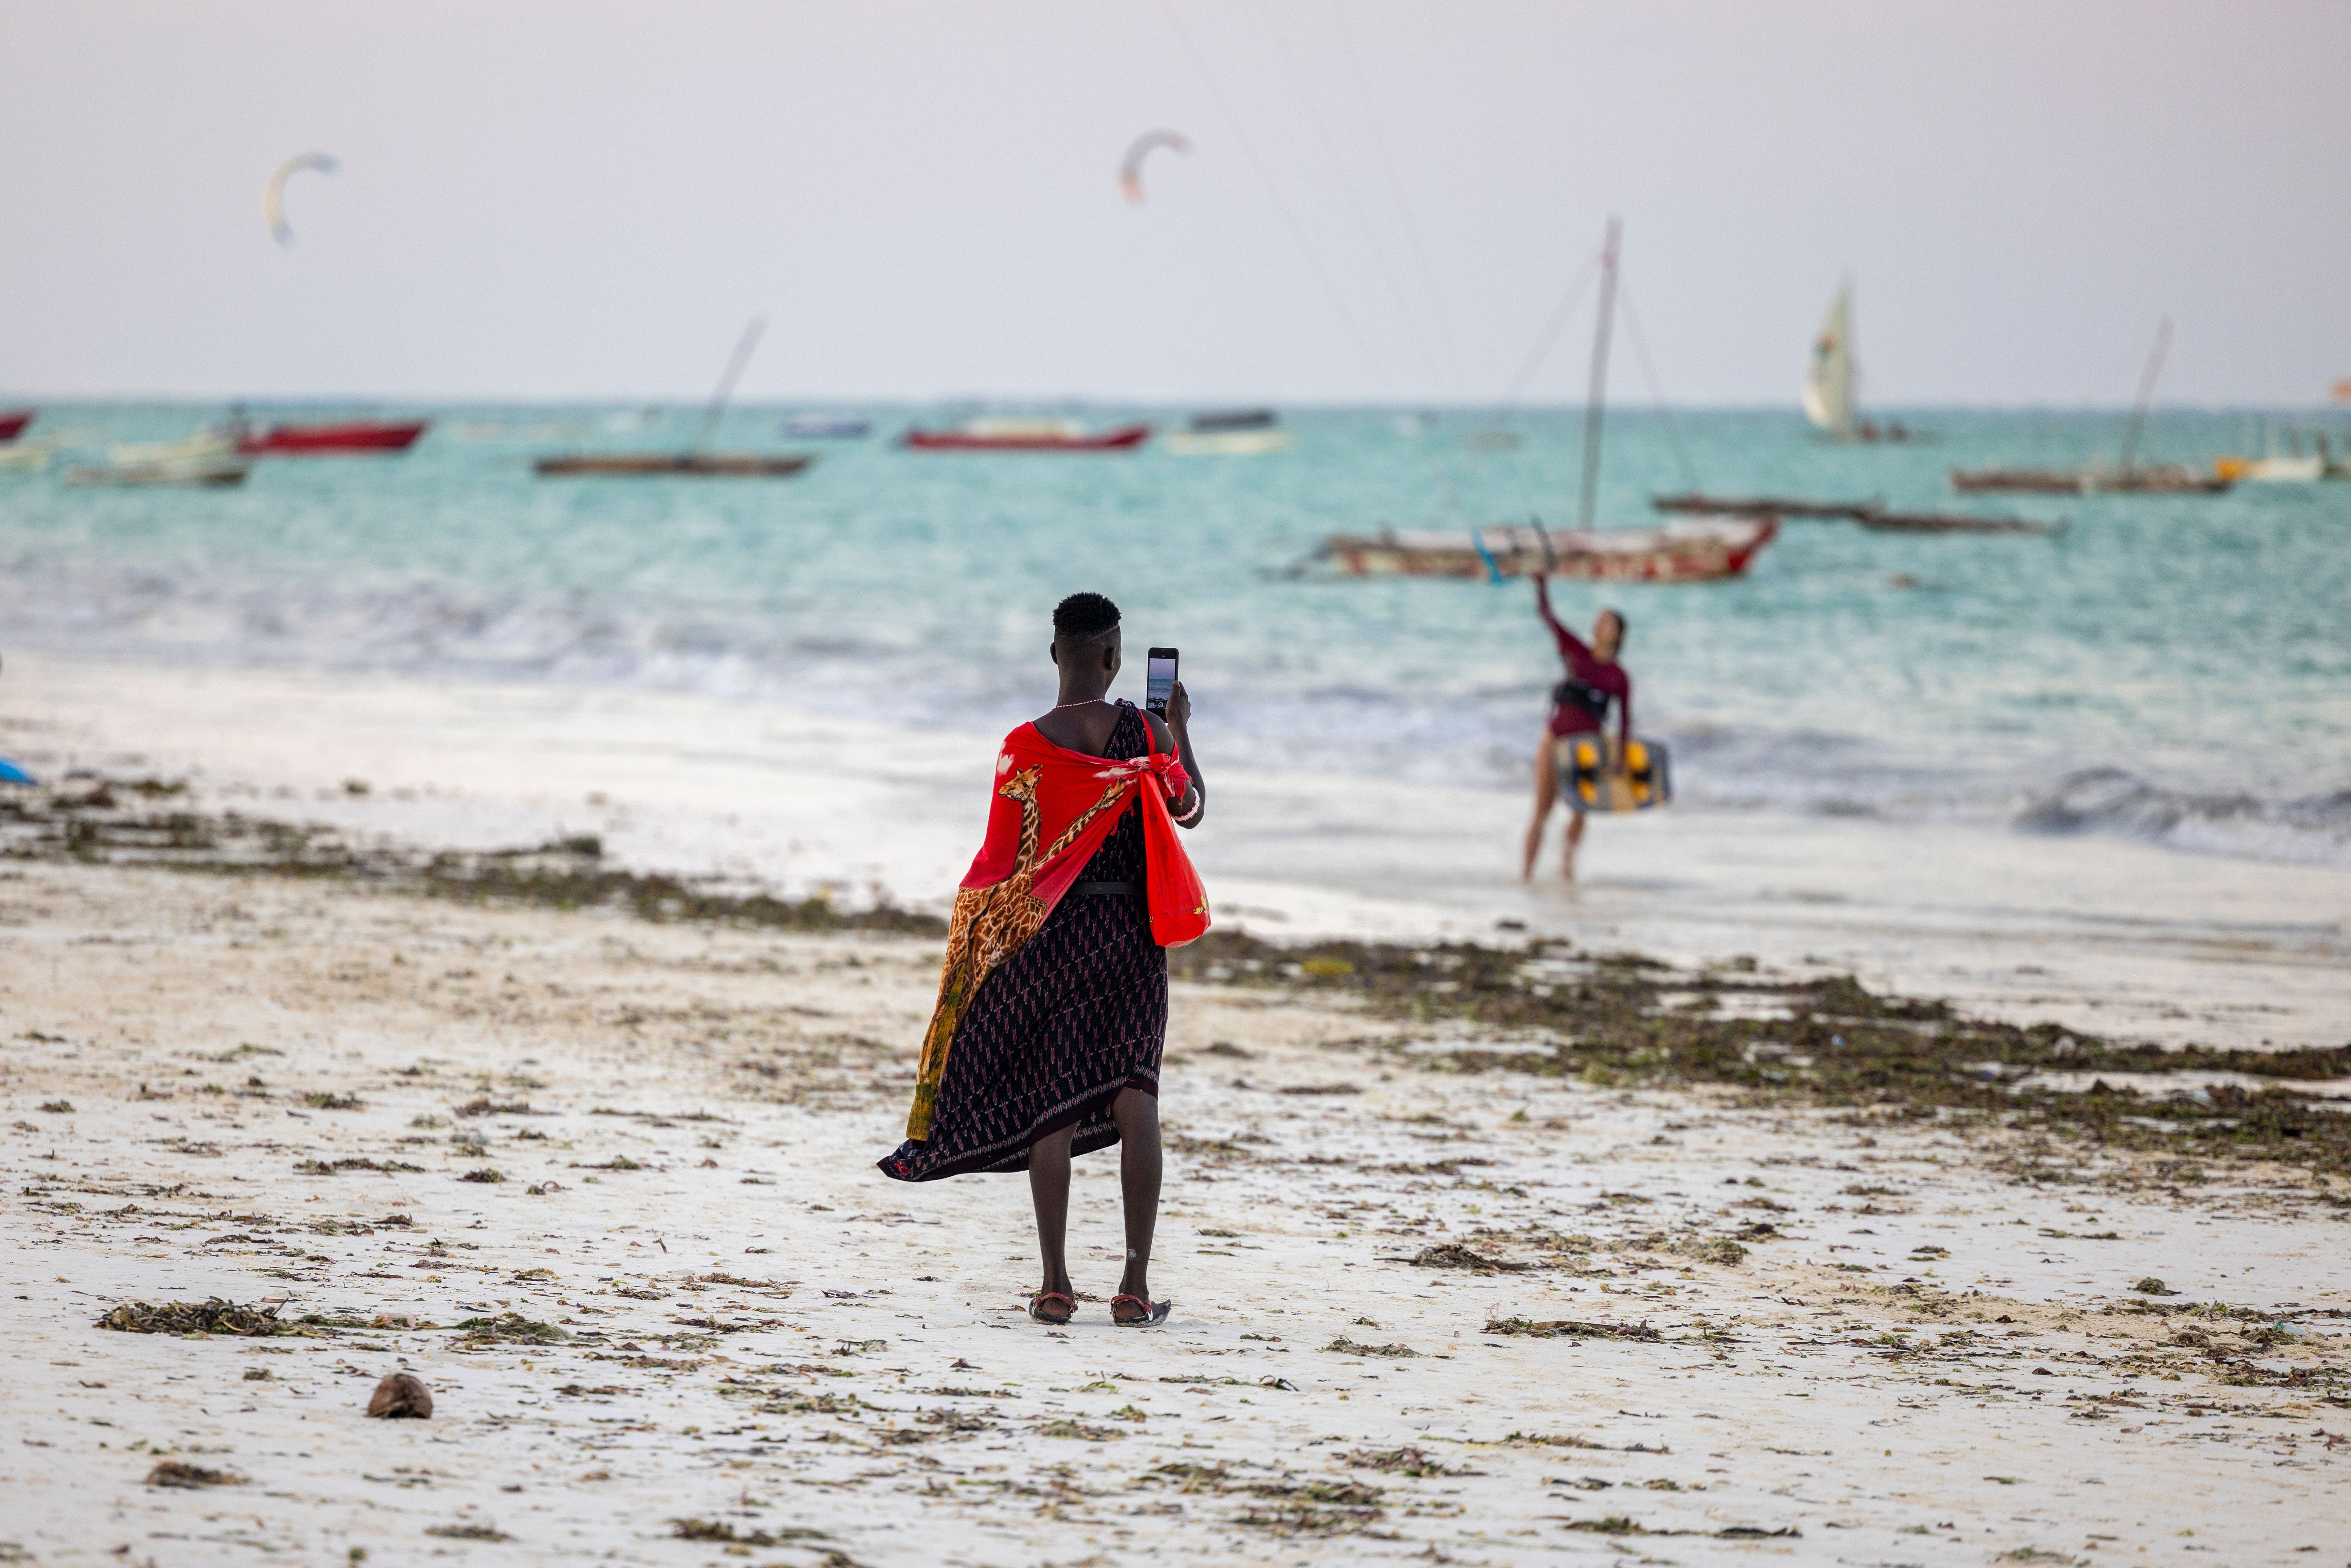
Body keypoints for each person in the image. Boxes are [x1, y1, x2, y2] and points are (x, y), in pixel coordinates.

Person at [878, 592, 1205, 1328]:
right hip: (1129, 930)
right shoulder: (1144, 732)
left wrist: (985, 948)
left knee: (1051, 1100)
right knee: (1135, 1093)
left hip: (1050, 934)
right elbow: (1190, 808)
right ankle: (1134, 1289)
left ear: (1056, 655)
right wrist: (1179, 730)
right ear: (1116, 658)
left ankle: (1055, 1285)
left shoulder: (1023, 746)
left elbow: (1002, 864)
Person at [1522, 575, 1629, 882]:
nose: (1598, 625)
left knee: (1580, 811)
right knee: (1541, 811)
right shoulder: (1576, 653)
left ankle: (1566, 868)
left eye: (1606, 622)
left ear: (1618, 635)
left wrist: (1620, 758)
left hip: (1587, 748)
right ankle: (1526, 875)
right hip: (1554, 740)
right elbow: (1548, 618)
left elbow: (1625, 722)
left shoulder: (1619, 677)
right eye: (1598, 621)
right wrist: (1541, 586)